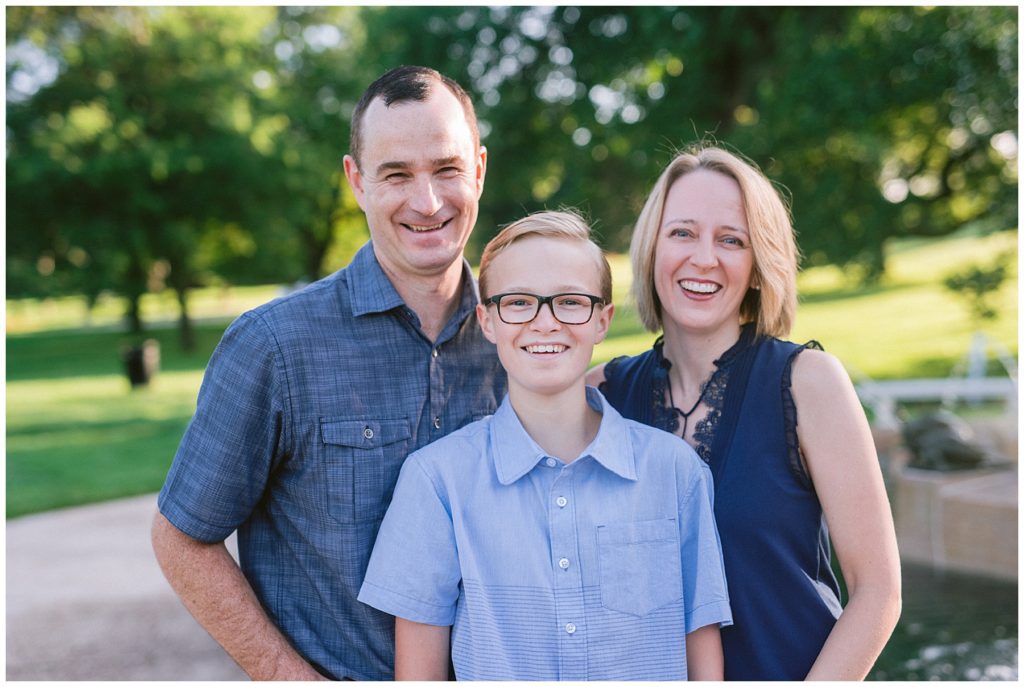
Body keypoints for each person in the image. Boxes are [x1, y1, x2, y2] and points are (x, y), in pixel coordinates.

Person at [150, 65, 507, 681]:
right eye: (397, 174)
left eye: (447, 169)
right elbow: (181, 538)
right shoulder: (273, 345)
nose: (427, 202)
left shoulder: (519, 341)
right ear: (357, 181)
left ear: (478, 169)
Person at [357, 210, 732, 681]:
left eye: (570, 302)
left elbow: (703, 659)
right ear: (487, 320)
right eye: (518, 303)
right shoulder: (437, 481)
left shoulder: (674, 471)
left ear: (602, 320)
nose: (545, 322)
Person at [588, 145, 902, 680]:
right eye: (682, 233)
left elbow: (877, 592)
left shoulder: (809, 384)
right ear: (652, 249)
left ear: (758, 267)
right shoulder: (601, 398)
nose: (703, 258)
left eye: (731, 240)